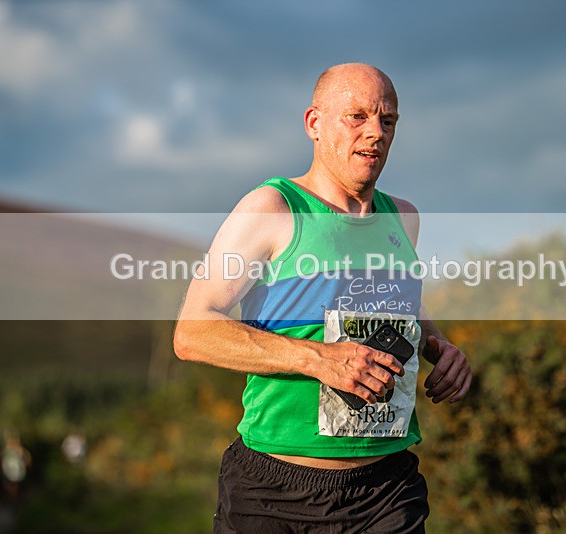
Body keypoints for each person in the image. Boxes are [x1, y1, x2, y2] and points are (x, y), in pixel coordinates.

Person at [173, 63, 472, 533]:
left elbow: (403, 305)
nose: (375, 133)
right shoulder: (273, 208)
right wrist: (319, 359)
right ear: (314, 123)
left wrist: (438, 346)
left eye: (387, 120)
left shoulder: (404, 218)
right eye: (357, 116)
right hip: (274, 494)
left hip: (387, 490)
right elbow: (192, 331)